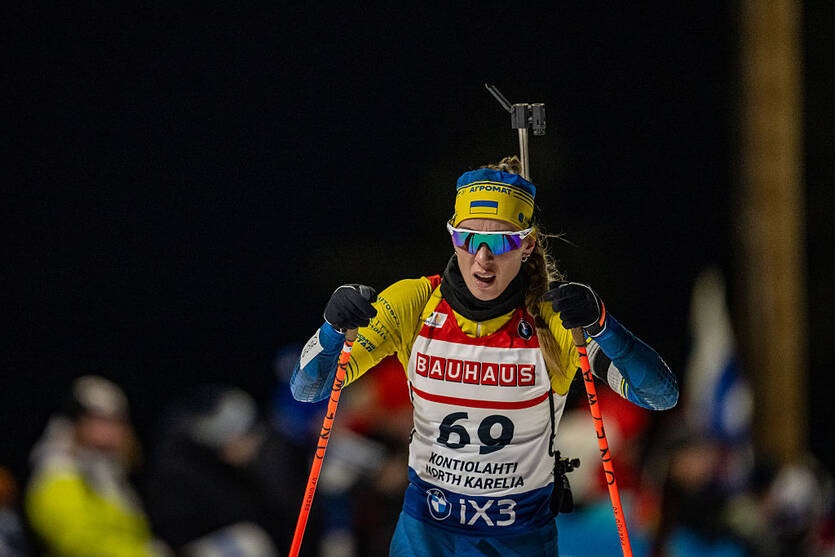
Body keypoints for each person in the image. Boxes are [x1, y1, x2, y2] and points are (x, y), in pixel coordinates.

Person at [290, 156, 679, 556]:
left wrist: (602, 324)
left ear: (527, 245)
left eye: (501, 242)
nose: (482, 258)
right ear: (452, 237)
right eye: (468, 238)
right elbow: (308, 389)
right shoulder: (415, 302)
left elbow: (659, 395)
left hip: (518, 538)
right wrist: (331, 329)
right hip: (427, 535)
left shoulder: (553, 320)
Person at [143, 384, 308, 556]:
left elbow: (282, 509)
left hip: (261, 531)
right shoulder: (178, 467)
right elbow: (176, 531)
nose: (248, 443)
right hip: (199, 543)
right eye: (239, 436)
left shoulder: (267, 452)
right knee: (249, 541)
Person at [24, 375, 169, 557]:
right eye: (99, 419)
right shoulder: (57, 472)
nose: (112, 429)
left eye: (117, 420)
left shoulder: (110, 474)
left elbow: (133, 534)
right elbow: (77, 542)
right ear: (76, 422)